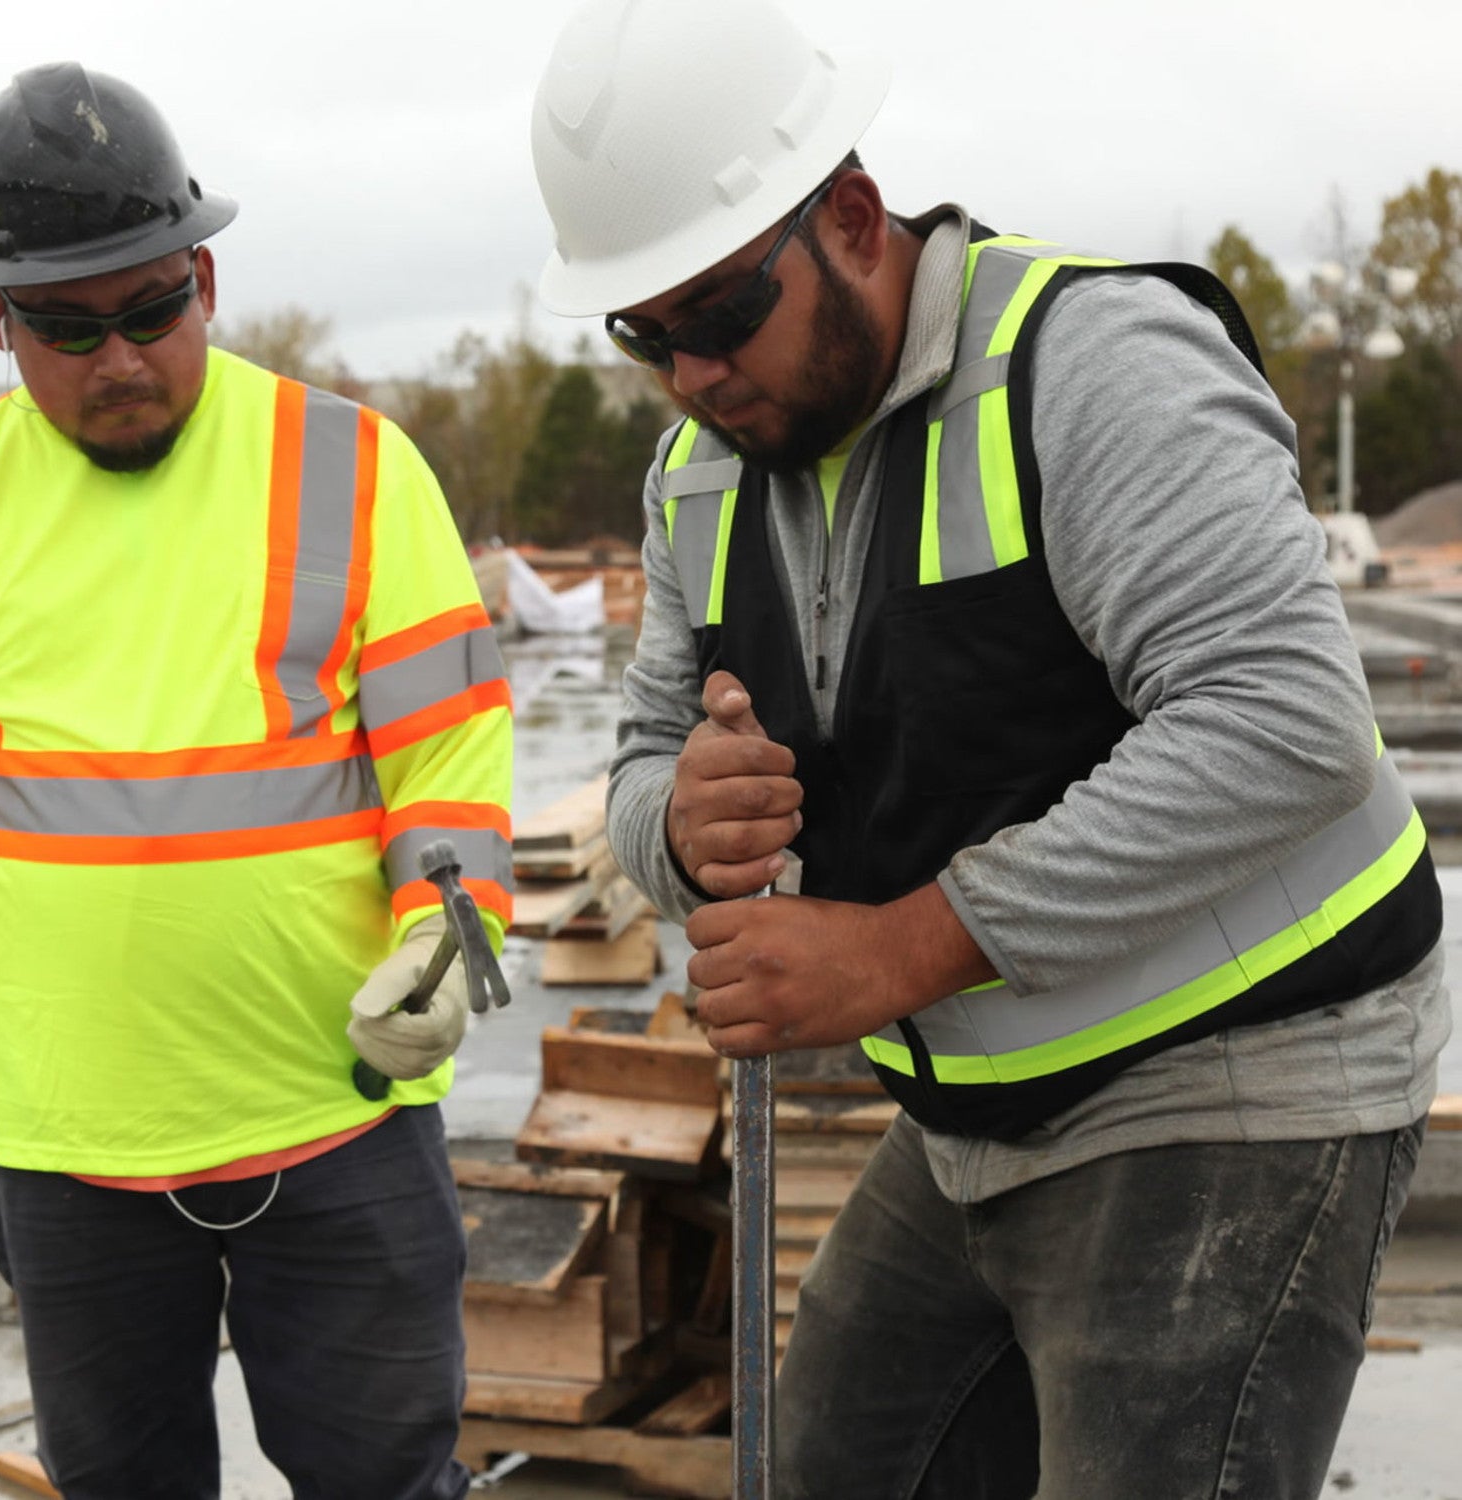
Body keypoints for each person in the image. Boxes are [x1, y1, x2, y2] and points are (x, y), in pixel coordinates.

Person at [528, 3, 1452, 1497]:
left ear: (848, 218)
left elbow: (1286, 722)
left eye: (719, 317)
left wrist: (902, 949)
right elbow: (643, 757)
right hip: (984, 1104)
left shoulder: (1088, 366)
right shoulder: (702, 476)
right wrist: (682, 827)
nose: (691, 378)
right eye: (649, 338)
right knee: (832, 1466)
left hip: (1244, 1073)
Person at [0, 63, 512, 1500]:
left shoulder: (350, 467)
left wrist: (448, 943)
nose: (122, 359)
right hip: (62, 1145)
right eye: (68, 331)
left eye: (154, 310)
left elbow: (445, 760)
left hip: (337, 1123)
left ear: (205, 276)